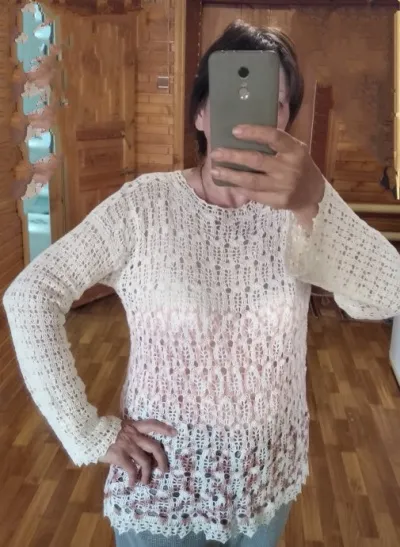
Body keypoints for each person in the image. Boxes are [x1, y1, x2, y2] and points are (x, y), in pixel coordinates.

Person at [4, 19, 400, 547]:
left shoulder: (302, 210)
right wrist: (87, 431)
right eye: (236, 97)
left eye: (277, 103)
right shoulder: (145, 206)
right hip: (161, 485)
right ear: (200, 113)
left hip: (264, 486)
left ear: (288, 120)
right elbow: (31, 294)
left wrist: (314, 201)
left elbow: (387, 292)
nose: (258, 114)